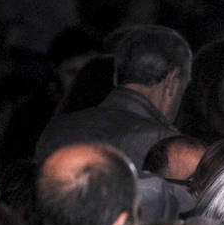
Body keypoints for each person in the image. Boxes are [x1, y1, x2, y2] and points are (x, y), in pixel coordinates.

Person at [35, 25, 192, 166]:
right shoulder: (166, 145)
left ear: (116, 77)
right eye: (184, 86)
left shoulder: (57, 130)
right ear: (172, 81)